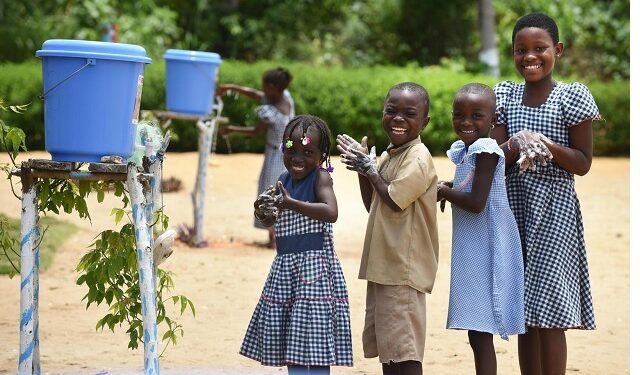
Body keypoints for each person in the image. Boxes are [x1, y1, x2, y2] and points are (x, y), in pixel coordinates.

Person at [491, 12, 600, 375]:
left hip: (555, 212)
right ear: (512, 54)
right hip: (515, 207)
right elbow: (497, 157)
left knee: (549, 310)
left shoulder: (571, 97)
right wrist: (515, 142)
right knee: (526, 310)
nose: (530, 57)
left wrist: (546, 145)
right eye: (521, 50)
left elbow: (582, 162)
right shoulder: (505, 95)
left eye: (540, 48)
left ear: (559, 50)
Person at [337, 82, 439, 375]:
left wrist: (369, 169)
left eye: (409, 113)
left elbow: (394, 201)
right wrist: (363, 171)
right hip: (386, 268)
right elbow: (374, 204)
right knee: (389, 352)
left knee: (404, 351)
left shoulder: (418, 157)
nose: (398, 118)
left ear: (424, 122)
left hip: (402, 270)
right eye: (391, 111)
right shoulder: (389, 155)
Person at [240, 115, 352, 374]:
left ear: (322, 155)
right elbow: (270, 221)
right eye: (292, 150)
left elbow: (331, 211)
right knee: (292, 338)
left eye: (307, 152)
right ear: (283, 149)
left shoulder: (320, 178)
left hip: (314, 270)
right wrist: (263, 211)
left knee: (314, 340)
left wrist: (291, 204)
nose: (298, 158)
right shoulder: (282, 179)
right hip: (286, 269)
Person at [437, 83, 525, 375]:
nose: (466, 122)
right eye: (459, 115)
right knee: (477, 332)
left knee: (479, 329)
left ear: (493, 119)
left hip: (487, 244)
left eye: (477, 115)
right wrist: (450, 187)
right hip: (474, 244)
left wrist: (442, 191)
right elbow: (470, 186)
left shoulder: (486, 149)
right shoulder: (468, 149)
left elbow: (476, 202)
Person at [217, 67, 295, 248]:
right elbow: (254, 94)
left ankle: (274, 239)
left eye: (265, 87)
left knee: (270, 193)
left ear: (273, 87)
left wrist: (231, 130)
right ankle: (274, 237)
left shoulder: (273, 110)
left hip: (276, 155)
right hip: (282, 152)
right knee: (276, 193)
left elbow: (255, 131)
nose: (263, 90)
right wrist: (231, 87)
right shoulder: (284, 97)